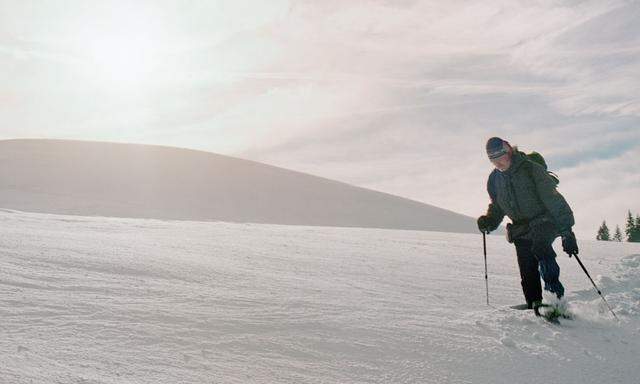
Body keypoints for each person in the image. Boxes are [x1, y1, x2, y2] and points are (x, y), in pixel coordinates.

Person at [477, 137, 579, 310]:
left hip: (544, 219)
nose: (498, 163)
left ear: (509, 151)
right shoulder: (494, 179)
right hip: (520, 226)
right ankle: (534, 302)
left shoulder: (531, 169)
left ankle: (555, 300)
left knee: (541, 248)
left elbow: (554, 200)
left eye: (500, 158)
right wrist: (490, 220)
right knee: (526, 263)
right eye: (493, 160)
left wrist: (567, 231)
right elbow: (498, 205)